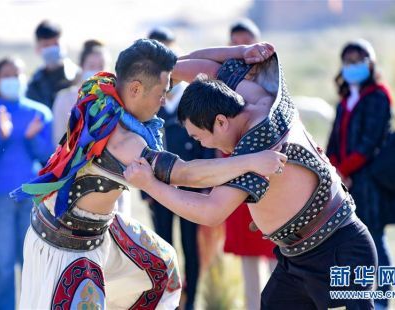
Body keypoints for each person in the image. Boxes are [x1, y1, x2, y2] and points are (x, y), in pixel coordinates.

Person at [11, 39, 285, 309]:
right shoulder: (122, 141)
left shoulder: (105, 87)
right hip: (67, 245)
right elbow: (187, 174)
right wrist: (251, 161)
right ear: (136, 88)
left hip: (102, 227)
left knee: (161, 270)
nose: (164, 100)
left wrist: (238, 52)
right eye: (161, 93)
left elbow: (184, 65)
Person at [125, 42, 378, 309]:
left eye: (200, 138)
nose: (205, 147)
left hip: (339, 251)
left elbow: (211, 210)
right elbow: (206, 68)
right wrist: (165, 74)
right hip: (297, 259)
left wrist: (150, 184)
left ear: (221, 122)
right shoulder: (259, 98)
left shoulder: (257, 147)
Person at [0, 56, 53, 310]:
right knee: (1, 265)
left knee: (31, 266)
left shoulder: (39, 113)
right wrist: (0, 136)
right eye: (7, 75)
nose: (13, 79)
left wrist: (31, 138)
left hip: (32, 198)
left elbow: (49, 158)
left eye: (17, 74)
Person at [326, 39, 395, 310]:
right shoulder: (345, 100)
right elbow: (333, 140)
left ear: (370, 63)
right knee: (351, 240)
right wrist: (334, 169)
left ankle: (382, 299)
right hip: (346, 182)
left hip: (370, 182)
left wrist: (345, 170)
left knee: (376, 239)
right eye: (348, 60)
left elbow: (370, 142)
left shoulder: (379, 95)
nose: (353, 65)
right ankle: (357, 298)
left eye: (359, 60)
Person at [144, 27, 210, 310]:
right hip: (158, 186)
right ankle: (166, 301)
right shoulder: (147, 99)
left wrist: (206, 181)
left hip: (192, 184)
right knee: (161, 246)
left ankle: (191, 301)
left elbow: (207, 141)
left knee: (190, 247)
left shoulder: (193, 94)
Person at [227, 19, 277, 310]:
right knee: (248, 265)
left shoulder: (272, 85)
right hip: (234, 179)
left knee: (277, 256)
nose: (240, 50)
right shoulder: (222, 84)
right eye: (234, 44)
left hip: (269, 181)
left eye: (246, 42)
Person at [52, 39, 110, 145]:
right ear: (82, 67)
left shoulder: (114, 99)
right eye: (92, 66)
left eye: (101, 66)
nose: (97, 72)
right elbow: (58, 139)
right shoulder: (64, 98)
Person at [26, 20, 79, 109]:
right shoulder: (34, 84)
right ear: (38, 48)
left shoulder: (77, 76)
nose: (52, 49)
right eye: (46, 45)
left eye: (55, 44)